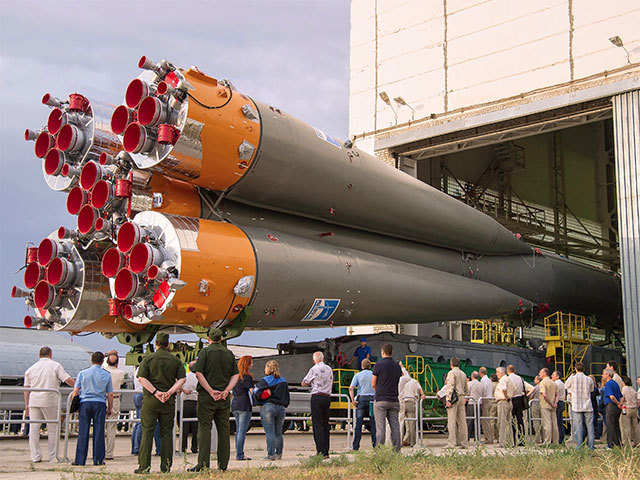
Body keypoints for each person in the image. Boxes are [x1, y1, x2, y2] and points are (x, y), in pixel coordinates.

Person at [135, 332, 186, 474]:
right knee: (166, 433)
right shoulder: (175, 360)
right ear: (168, 344)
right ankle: (166, 466)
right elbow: (182, 379)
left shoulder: (148, 358)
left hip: (151, 401)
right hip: (168, 401)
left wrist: (155, 392)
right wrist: (169, 392)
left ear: (156, 344)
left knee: (147, 432)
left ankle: (144, 466)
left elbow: (141, 378)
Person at [189, 328, 239, 472]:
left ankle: (203, 464)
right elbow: (235, 375)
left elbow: (198, 373)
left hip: (207, 397)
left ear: (208, 338)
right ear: (221, 339)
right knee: (224, 430)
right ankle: (223, 465)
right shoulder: (229, 354)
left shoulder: (204, 352)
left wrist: (211, 391)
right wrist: (226, 391)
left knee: (204, 429)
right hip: (223, 398)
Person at [24, 346, 75, 463]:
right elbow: (67, 379)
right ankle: (53, 456)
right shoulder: (55, 365)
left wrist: (27, 405)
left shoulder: (31, 369)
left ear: (39, 355)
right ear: (51, 354)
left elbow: (26, 389)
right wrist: (78, 387)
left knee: (34, 429)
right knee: (53, 428)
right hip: (50, 400)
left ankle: (35, 456)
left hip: (34, 400)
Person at [72, 351, 113, 466]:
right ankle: (98, 460)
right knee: (99, 432)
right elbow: (110, 394)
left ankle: (80, 460)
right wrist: (110, 408)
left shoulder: (83, 373)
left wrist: (74, 406)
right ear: (102, 361)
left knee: (83, 432)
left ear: (91, 360)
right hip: (99, 404)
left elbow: (76, 391)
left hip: (85, 404)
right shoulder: (107, 375)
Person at [254, 360, 290, 460]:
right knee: (278, 432)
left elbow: (256, 393)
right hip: (281, 408)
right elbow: (287, 396)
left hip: (268, 407)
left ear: (268, 368)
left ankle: (271, 455)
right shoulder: (283, 381)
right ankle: (279, 454)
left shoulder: (265, 381)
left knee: (270, 432)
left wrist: (261, 399)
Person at [302, 351, 334, 458]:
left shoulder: (314, 369)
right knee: (325, 425)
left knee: (317, 425)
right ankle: (326, 452)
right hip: (327, 397)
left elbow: (304, 382)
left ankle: (320, 452)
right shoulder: (329, 369)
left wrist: (309, 383)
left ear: (314, 359)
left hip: (317, 397)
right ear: (323, 358)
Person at [371, 343, 403, 451]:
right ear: (392, 352)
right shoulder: (397, 367)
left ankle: (380, 451)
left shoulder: (378, 365)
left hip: (381, 400)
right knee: (395, 426)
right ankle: (396, 450)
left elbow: (373, 383)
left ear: (382, 352)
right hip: (394, 400)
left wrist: (379, 392)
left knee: (380, 427)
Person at [131, 367, 161, 456]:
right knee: (144, 422)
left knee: (138, 422)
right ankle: (139, 448)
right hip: (144, 394)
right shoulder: (147, 368)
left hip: (136, 394)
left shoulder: (138, 369)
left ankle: (135, 447)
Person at [564, 362, 594, 449]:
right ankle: (591, 446)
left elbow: (566, 386)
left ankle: (579, 446)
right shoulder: (589, 379)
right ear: (584, 369)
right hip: (588, 405)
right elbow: (591, 389)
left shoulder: (572, 378)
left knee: (578, 426)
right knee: (590, 426)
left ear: (575, 369)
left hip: (576, 405)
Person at [349, 358, 376, 450]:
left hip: (361, 400)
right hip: (372, 400)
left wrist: (353, 400)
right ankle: (375, 446)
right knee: (373, 424)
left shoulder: (358, 375)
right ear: (370, 366)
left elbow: (351, 388)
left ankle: (355, 446)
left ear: (362, 366)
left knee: (358, 424)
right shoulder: (374, 375)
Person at [231, 355, 254, 460]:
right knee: (242, 431)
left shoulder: (235, 376)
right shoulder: (247, 376)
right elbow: (251, 391)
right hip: (244, 405)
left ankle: (239, 453)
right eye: (251, 363)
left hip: (235, 404)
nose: (252, 365)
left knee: (238, 430)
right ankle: (240, 455)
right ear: (247, 364)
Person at [104, 350, 125, 460]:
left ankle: (100, 451)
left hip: (103, 399)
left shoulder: (103, 371)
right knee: (111, 428)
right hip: (115, 399)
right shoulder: (120, 373)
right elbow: (121, 383)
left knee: (101, 427)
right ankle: (109, 453)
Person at [444, 357, 469, 449]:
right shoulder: (463, 374)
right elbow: (467, 388)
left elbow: (450, 385)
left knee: (451, 421)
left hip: (454, 398)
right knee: (462, 422)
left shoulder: (451, 373)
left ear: (451, 364)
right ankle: (464, 443)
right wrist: (465, 395)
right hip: (462, 397)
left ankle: (451, 443)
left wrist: (448, 399)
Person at [399, 368, 425, 447]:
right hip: (412, 402)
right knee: (412, 424)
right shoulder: (414, 381)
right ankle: (413, 442)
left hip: (402, 402)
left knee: (401, 423)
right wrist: (422, 396)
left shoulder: (400, 380)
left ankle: (399, 442)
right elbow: (421, 391)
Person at [506, 365, 528, 446]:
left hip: (512, 400)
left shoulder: (508, 379)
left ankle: (513, 440)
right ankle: (522, 439)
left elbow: (510, 390)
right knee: (520, 421)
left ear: (508, 370)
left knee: (512, 420)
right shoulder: (520, 378)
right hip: (520, 400)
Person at [181, 361, 199, 454]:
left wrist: (184, 390)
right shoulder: (199, 377)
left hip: (185, 403)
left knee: (184, 427)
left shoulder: (185, 376)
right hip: (196, 403)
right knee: (196, 428)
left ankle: (183, 447)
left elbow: (179, 386)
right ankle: (194, 447)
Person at [494, 367, 515, 447]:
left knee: (502, 422)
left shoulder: (503, 379)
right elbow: (514, 389)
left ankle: (502, 442)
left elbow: (504, 389)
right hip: (509, 402)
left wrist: (506, 396)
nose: (496, 374)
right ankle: (510, 441)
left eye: (497, 372)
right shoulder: (508, 379)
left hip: (503, 402)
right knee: (508, 422)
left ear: (502, 373)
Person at [602, 368, 622, 447]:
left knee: (610, 425)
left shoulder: (608, 384)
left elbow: (612, 397)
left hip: (611, 406)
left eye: (603, 374)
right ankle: (618, 443)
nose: (602, 375)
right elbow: (621, 396)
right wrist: (620, 404)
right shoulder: (615, 383)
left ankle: (610, 445)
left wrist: (617, 403)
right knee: (616, 425)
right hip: (617, 408)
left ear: (608, 375)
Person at [538, 367, 558, 445]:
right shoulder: (554, 383)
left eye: (540, 372)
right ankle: (556, 441)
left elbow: (544, 395)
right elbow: (557, 395)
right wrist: (555, 403)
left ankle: (547, 442)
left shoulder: (543, 383)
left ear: (544, 373)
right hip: (553, 406)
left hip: (545, 405)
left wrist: (550, 403)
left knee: (547, 424)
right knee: (554, 424)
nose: (539, 374)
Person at [618, 376, 640, 447]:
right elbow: (637, 400)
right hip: (634, 409)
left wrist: (620, 404)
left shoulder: (624, 389)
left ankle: (627, 443)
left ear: (624, 382)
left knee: (626, 426)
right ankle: (637, 441)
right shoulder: (633, 389)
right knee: (635, 427)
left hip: (627, 409)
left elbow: (622, 398)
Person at [478, 367, 494, 443]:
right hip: (490, 399)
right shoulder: (489, 380)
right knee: (488, 419)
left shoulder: (483, 380)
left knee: (485, 420)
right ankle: (490, 437)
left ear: (480, 373)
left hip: (485, 400)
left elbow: (483, 391)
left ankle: (488, 438)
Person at [551, 370, 566, 444]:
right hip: (561, 402)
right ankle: (561, 438)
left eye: (553, 375)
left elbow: (554, 394)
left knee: (557, 422)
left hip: (558, 403)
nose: (551, 376)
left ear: (557, 376)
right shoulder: (562, 383)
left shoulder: (556, 384)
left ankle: (558, 439)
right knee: (560, 422)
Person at [467, 371, 482, 441]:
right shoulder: (480, 384)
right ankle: (477, 437)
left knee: (469, 421)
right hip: (479, 404)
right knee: (478, 420)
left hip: (471, 403)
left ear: (472, 376)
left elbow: (467, 393)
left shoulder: (469, 383)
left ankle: (467, 437)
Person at [528, 376, 542, 443]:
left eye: (535, 379)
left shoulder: (535, 387)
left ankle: (537, 438)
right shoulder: (543, 386)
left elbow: (531, 396)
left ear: (538, 380)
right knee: (542, 421)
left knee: (536, 421)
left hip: (535, 405)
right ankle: (544, 437)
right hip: (542, 405)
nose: (534, 380)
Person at [589, 374, 602, 439]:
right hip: (594, 406)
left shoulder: (594, 389)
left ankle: (596, 434)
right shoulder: (595, 388)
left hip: (593, 406)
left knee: (594, 421)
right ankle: (595, 434)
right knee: (594, 421)